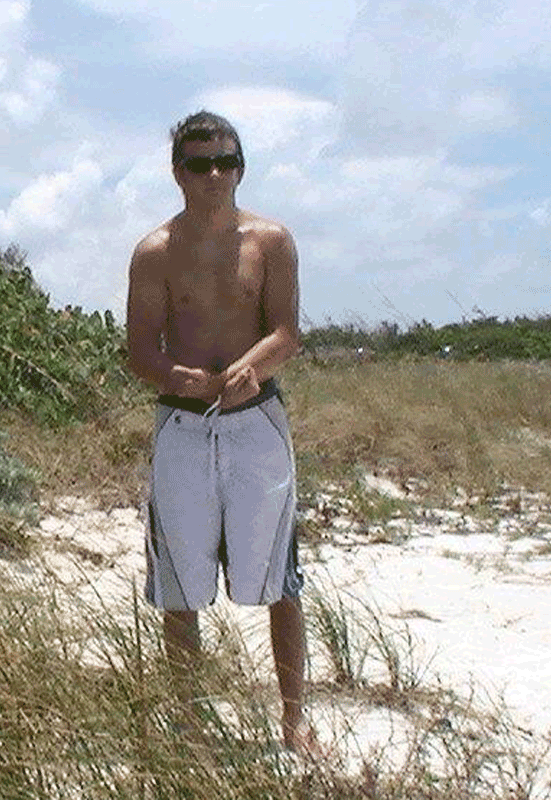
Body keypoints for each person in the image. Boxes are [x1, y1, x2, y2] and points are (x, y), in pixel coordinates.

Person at [125, 110, 317, 754]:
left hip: (256, 423)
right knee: (179, 579)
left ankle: (294, 721)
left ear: (241, 168)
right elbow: (140, 351)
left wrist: (250, 369)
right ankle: (187, 721)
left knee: (280, 578)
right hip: (182, 423)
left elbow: (286, 332)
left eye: (226, 162)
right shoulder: (155, 252)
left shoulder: (271, 241)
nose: (214, 175)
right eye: (200, 163)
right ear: (178, 171)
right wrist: (185, 378)